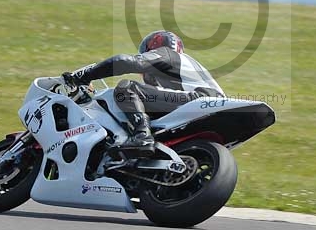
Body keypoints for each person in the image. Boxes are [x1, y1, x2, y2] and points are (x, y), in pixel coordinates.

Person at [63, 30, 224, 155]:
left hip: (201, 100)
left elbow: (124, 62)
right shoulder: (182, 70)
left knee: (127, 88)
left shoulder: (167, 54)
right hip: (206, 106)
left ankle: (142, 136)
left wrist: (85, 75)